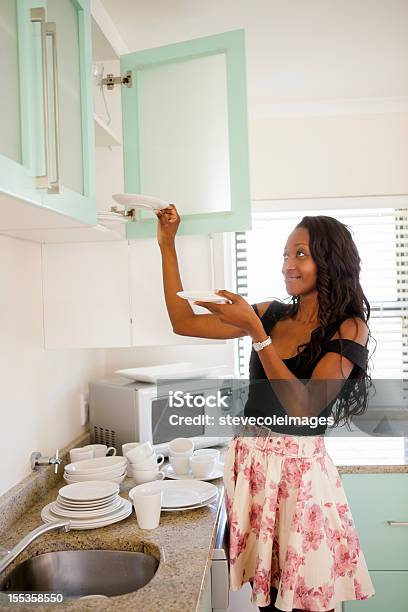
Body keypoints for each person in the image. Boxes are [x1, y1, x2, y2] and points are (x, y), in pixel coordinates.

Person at [155, 205, 375, 611]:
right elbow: (183, 322)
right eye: (285, 255)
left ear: (330, 261)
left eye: (301, 254)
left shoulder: (348, 327)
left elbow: (305, 406)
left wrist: (257, 335)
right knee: (269, 603)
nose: (287, 265)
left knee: (306, 601)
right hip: (252, 471)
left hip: (300, 481)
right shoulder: (270, 313)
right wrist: (167, 246)